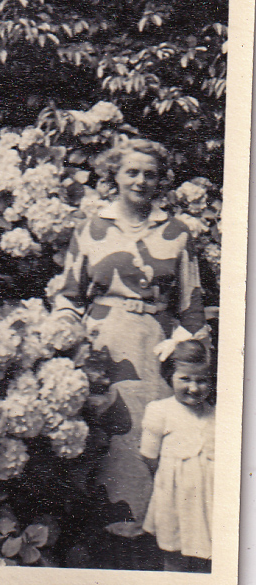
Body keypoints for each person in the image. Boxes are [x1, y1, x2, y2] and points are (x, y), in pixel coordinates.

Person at [53, 137, 208, 534]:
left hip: (154, 350)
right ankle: (89, 530)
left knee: (145, 435)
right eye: (132, 172)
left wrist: (185, 355)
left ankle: (143, 531)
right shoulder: (90, 229)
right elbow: (69, 296)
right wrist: (67, 337)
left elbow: (191, 305)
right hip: (100, 346)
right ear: (114, 176)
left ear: (161, 182)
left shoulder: (176, 232)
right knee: (98, 431)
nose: (140, 181)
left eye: (150, 175)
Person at [140, 340, 214, 572]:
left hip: (208, 498)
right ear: (170, 376)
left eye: (202, 380)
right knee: (174, 555)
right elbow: (149, 456)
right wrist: (168, 480)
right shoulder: (160, 410)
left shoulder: (217, 415)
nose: (194, 387)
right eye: (185, 379)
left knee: (206, 554)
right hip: (174, 497)